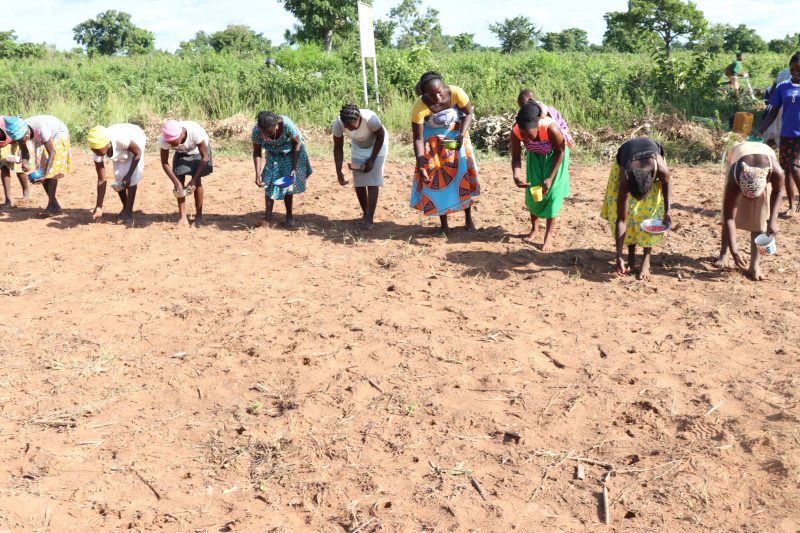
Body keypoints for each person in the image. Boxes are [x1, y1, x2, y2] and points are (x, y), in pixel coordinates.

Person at [410, 71, 480, 233]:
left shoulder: (456, 92)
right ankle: (444, 224)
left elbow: (468, 113)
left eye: (440, 91)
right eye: (432, 94)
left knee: (462, 176)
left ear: (444, 86)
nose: (438, 97)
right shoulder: (419, 107)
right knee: (436, 180)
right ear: (424, 93)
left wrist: (461, 135)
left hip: (455, 137)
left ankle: (468, 219)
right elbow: (418, 139)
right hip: (432, 142)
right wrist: (421, 163)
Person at [600, 137, 672, 281]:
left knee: (651, 216)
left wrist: (667, 211)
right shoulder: (624, 176)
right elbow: (621, 220)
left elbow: (667, 183)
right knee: (629, 214)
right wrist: (618, 255)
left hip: (651, 159)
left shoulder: (662, 170)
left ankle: (646, 260)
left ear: (652, 181)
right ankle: (630, 255)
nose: (638, 201)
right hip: (626, 156)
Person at [716, 141, 783, 280]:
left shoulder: (775, 171)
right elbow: (729, 218)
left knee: (760, 219)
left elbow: (778, 191)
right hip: (739, 151)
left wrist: (772, 220)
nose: (750, 200)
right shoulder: (734, 177)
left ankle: (754, 265)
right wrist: (735, 251)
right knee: (727, 215)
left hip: (765, 155)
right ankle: (724, 252)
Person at [510, 100, 573, 251]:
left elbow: (561, 152)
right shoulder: (515, 131)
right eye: (522, 134)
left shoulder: (550, 128)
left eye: (529, 134)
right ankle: (534, 228)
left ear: (538, 125)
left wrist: (551, 178)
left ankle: (548, 235)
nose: (525, 138)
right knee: (533, 192)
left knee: (552, 195)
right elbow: (516, 156)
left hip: (556, 157)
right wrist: (516, 175)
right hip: (535, 156)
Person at [252, 111, 313, 228]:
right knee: (268, 181)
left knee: (287, 183)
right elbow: (257, 151)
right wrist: (257, 173)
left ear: (276, 126)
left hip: (292, 151)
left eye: (269, 133)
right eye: (263, 133)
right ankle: (268, 218)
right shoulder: (256, 131)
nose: (265, 136)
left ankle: (289, 216)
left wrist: (294, 168)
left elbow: (297, 143)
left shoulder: (287, 125)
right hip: (273, 152)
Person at [332, 104, 388, 229]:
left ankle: (369, 218)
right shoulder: (339, 123)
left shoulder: (370, 119)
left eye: (350, 126)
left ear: (358, 120)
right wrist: (338, 170)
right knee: (359, 180)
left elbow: (381, 135)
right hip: (359, 145)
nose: (347, 128)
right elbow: (337, 147)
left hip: (378, 143)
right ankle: (365, 212)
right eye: (346, 125)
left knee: (373, 179)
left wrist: (372, 159)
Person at [759, 53, 800, 216]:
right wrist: (761, 129)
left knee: (794, 167)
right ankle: (791, 206)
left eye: (799, 69)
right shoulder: (783, 87)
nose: (796, 72)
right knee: (786, 170)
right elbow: (773, 111)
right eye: (793, 69)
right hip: (786, 134)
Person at [8, 115, 73, 217]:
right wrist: (24, 163)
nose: (21, 142)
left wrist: (46, 175)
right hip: (40, 138)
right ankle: (55, 206)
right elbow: (24, 152)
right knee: (41, 169)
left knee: (51, 171)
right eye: (18, 140)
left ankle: (51, 207)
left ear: (27, 134)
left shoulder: (42, 129)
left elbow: (52, 153)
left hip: (58, 133)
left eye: (21, 139)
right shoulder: (20, 132)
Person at [87, 124, 146, 225]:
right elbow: (101, 179)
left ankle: (128, 213)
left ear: (108, 144)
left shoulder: (121, 139)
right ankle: (126, 207)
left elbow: (138, 153)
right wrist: (99, 206)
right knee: (119, 178)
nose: (96, 153)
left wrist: (129, 174)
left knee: (130, 178)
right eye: (94, 151)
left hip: (135, 139)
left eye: (98, 150)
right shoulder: (97, 148)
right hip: (120, 149)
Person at [159, 119, 212, 227]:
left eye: (173, 141)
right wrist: (176, 182)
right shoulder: (165, 140)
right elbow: (164, 162)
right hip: (182, 152)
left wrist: (194, 180)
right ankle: (182, 217)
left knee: (197, 183)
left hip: (199, 151)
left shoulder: (195, 133)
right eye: (169, 142)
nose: (171, 145)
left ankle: (198, 217)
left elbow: (205, 158)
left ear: (181, 134)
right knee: (178, 180)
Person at [0, 116, 30, 208]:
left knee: (19, 167)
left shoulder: (10, 125)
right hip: (3, 144)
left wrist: (22, 156)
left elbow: (22, 139)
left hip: (17, 141)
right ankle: (8, 200)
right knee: (3, 166)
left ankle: (26, 191)